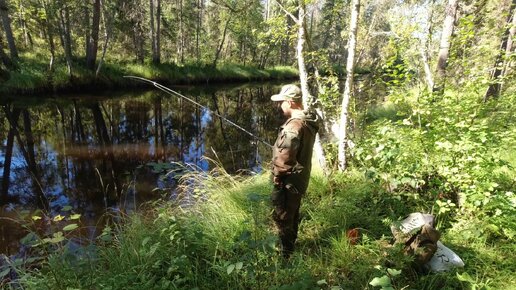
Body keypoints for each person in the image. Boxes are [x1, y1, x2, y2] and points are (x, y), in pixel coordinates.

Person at [270, 84, 319, 258]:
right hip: (300, 178)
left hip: (289, 181)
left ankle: (286, 255)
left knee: (283, 216)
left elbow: (284, 161)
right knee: (293, 212)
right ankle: (290, 245)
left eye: (282, 102)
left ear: (290, 102)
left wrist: (277, 177)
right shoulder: (308, 120)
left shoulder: (293, 127)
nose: (280, 105)